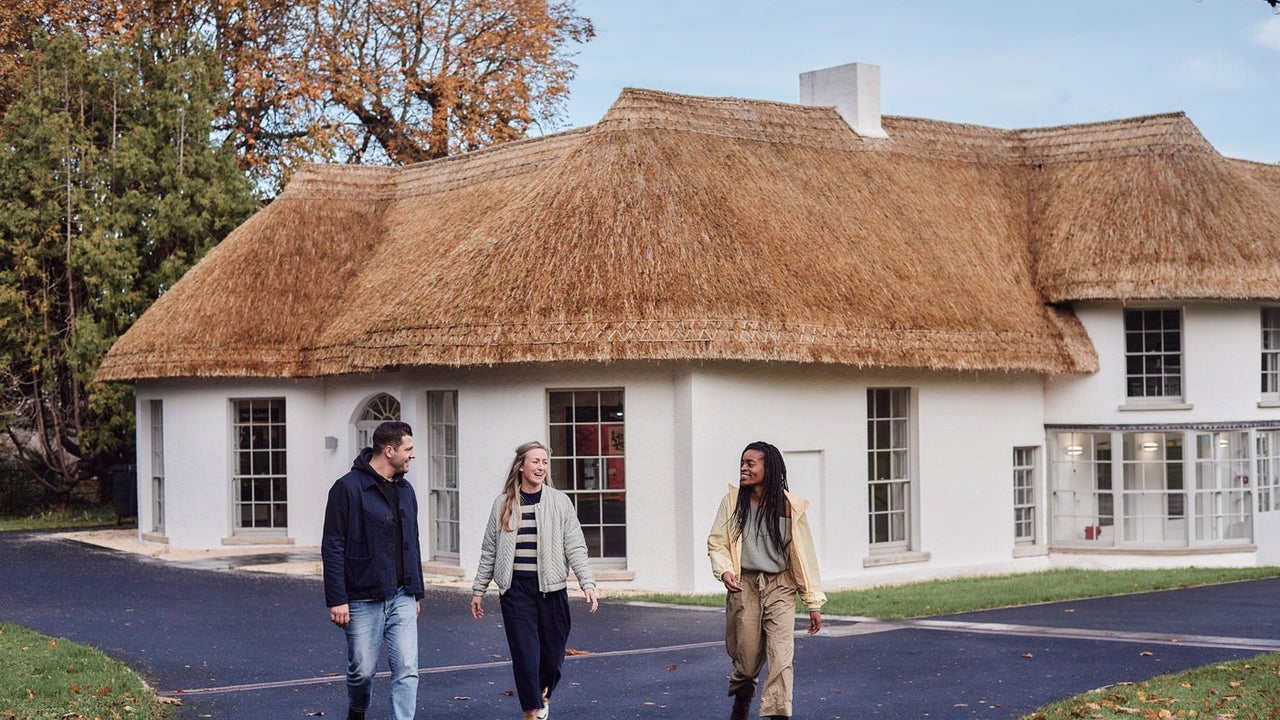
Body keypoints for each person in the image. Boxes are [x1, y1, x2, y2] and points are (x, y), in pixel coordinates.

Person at [471, 441, 600, 720]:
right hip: (516, 591)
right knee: (526, 656)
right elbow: (489, 549)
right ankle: (532, 710)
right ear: (521, 466)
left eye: (544, 462)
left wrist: (587, 582)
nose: (541, 467)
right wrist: (478, 590)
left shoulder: (559, 501)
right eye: (536, 462)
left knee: (552, 658)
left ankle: (541, 693)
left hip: (552, 591)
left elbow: (575, 546)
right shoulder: (503, 503)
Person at [707, 441, 826, 720]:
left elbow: (803, 558)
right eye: (742, 463)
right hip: (745, 585)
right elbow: (717, 543)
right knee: (747, 665)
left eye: (751, 463)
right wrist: (725, 571)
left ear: (768, 468)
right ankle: (742, 701)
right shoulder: (733, 502)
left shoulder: (790, 507)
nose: (743, 468)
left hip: (781, 587)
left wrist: (813, 602)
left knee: (781, 660)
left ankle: (778, 714)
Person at [322, 421, 425, 720]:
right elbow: (333, 545)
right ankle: (357, 709)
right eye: (409, 449)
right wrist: (337, 598)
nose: (413, 455)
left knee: (407, 669)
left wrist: (415, 590)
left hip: (403, 595)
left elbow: (411, 542)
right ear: (389, 451)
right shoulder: (347, 488)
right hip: (362, 597)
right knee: (362, 672)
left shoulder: (406, 491)